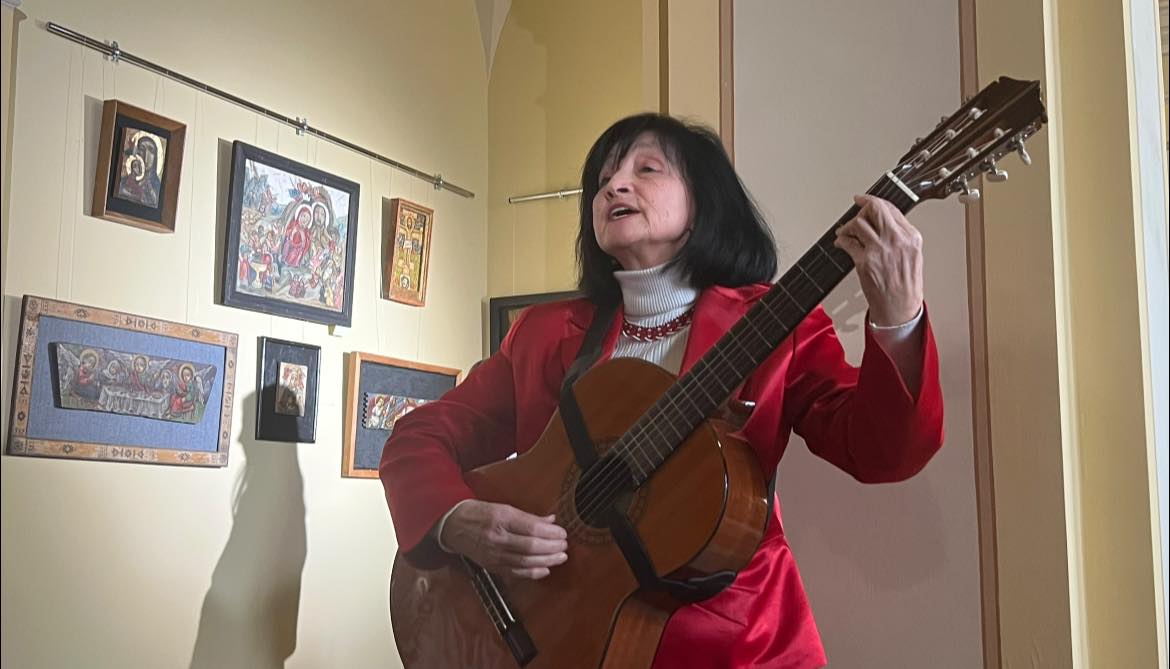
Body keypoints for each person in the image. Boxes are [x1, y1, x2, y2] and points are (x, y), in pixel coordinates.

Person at [379, 113, 944, 668]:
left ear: (703, 204)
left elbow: (884, 453)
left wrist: (899, 319)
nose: (614, 186)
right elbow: (418, 438)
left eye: (646, 169)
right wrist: (456, 520)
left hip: (742, 648)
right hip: (563, 641)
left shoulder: (777, 327)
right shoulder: (543, 336)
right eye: (604, 180)